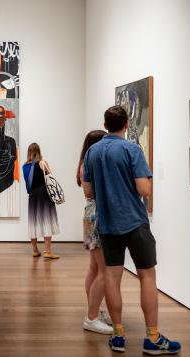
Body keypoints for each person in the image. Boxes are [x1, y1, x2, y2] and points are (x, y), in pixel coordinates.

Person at [83, 105, 181, 354]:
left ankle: (118, 336)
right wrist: (145, 179)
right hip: (135, 223)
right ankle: (153, 338)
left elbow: (88, 191)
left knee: (112, 280)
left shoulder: (92, 152)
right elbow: (143, 190)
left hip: (107, 225)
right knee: (147, 277)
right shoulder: (131, 149)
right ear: (126, 124)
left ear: (105, 125)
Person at [76, 130, 113, 334]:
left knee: (94, 267)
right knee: (104, 270)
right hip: (97, 214)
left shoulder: (84, 163)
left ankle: (95, 310)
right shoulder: (89, 165)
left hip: (91, 213)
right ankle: (91, 316)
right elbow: (90, 192)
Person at [22, 143, 60, 259]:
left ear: (29, 152)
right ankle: (47, 251)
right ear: (38, 151)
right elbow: (51, 177)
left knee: (33, 221)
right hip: (44, 194)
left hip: (33, 195)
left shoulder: (24, 166)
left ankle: (35, 250)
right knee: (46, 220)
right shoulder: (42, 163)